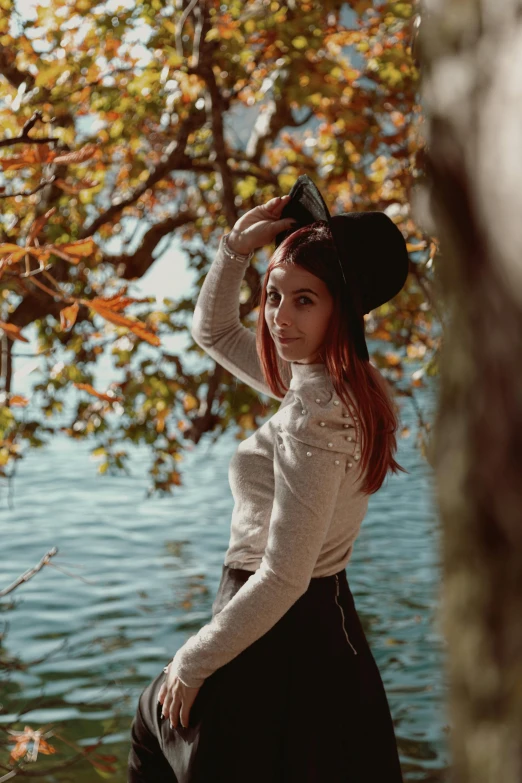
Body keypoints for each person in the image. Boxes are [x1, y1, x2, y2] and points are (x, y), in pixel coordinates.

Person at [127, 175, 409, 782]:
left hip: (271, 629)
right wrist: (233, 250)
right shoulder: (343, 386)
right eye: (274, 295)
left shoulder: (313, 412)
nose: (279, 317)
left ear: (342, 308)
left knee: (152, 728)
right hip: (324, 628)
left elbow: (284, 575)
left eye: (304, 299)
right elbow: (216, 333)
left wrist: (192, 659)